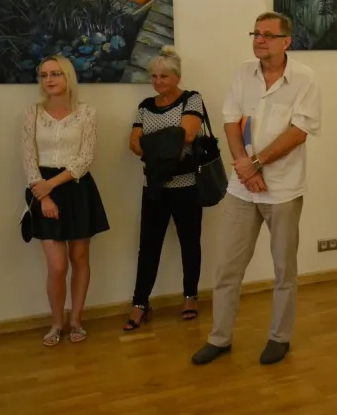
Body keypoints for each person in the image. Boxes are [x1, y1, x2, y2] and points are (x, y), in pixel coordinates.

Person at [191, 11, 321, 366]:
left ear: (286, 41)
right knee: (227, 268)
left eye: (267, 35)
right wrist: (245, 167)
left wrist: (257, 163)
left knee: (284, 269)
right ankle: (219, 338)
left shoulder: (304, 78)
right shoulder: (243, 72)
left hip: (284, 189)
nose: (259, 40)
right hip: (242, 188)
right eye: (256, 34)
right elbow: (231, 122)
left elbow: (299, 132)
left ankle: (279, 337)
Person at [22, 54, 109, 346]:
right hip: (42, 190)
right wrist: (44, 194)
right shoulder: (32, 113)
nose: (48, 79)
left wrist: (52, 184)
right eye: (44, 75)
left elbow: (85, 158)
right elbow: (29, 158)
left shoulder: (87, 113)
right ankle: (56, 322)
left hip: (78, 187)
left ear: (68, 76)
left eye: (55, 73)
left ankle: (76, 320)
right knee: (57, 267)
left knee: (79, 259)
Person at [124, 46, 206, 331]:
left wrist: (152, 144)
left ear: (177, 77)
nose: (157, 81)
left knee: (189, 243)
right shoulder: (145, 105)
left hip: (187, 186)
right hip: (154, 187)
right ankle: (140, 303)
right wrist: (169, 142)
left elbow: (188, 135)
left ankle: (190, 296)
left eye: (164, 76)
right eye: (154, 76)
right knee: (148, 246)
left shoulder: (192, 99)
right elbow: (133, 144)